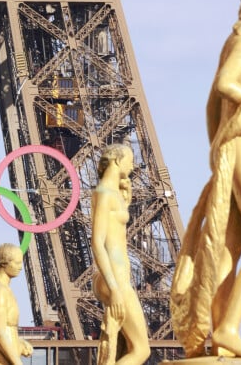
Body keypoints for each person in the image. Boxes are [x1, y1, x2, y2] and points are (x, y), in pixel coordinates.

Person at [171, 0, 241, 358]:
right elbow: (225, 84)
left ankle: (215, 326)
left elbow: (207, 107)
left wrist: (215, 146)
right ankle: (230, 327)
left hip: (230, 147)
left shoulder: (235, 37)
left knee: (228, 247)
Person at [91, 144, 150, 365]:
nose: (133, 165)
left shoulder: (110, 192)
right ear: (117, 160)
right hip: (115, 279)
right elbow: (97, 243)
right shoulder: (104, 193)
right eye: (130, 160)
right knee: (141, 349)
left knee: (126, 348)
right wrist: (115, 289)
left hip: (115, 277)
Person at [0, 244, 33, 365]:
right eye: (17, 263)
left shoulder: (1, 288)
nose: (21, 267)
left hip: (3, 356)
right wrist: (18, 363)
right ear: (4, 263)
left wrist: (18, 342)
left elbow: (5, 330)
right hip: (0, 358)